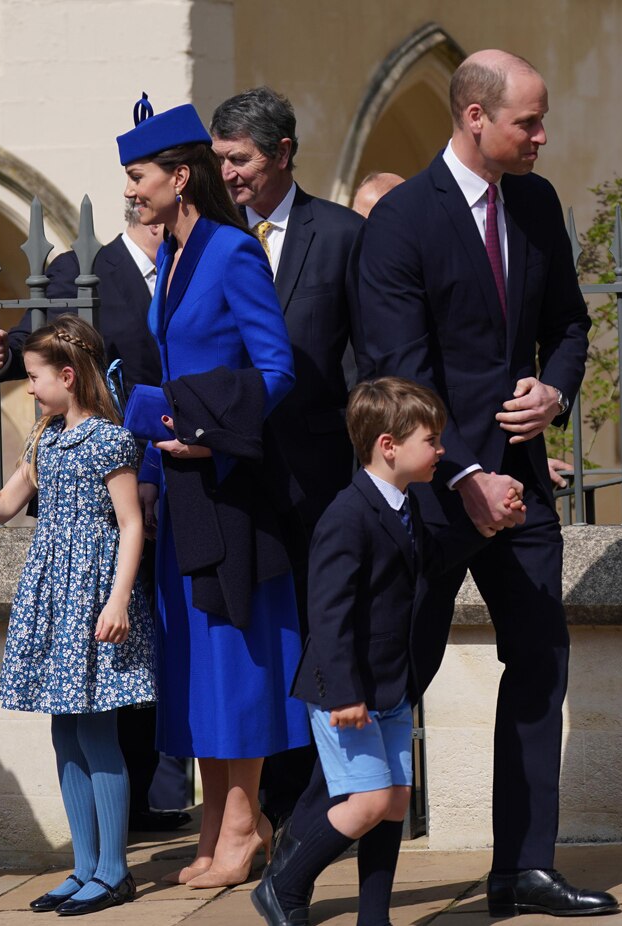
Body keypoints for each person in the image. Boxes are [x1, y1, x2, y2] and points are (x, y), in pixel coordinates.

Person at [355, 50, 617, 916]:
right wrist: (463, 470)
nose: (542, 136)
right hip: (433, 497)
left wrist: (556, 388)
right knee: (400, 677)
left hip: (525, 492)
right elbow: (402, 364)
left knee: (541, 663)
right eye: (527, 123)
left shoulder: (537, 204)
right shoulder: (401, 220)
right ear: (475, 117)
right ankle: (340, 880)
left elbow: (570, 325)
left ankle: (523, 870)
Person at [119, 93, 308, 889]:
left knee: (236, 660)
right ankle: (216, 822)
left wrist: (204, 432)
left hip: (230, 486)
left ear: (181, 175)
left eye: (139, 176)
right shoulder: (168, 255)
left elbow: (276, 371)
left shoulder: (232, 253)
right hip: (183, 488)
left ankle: (245, 822)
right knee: (198, 662)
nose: (131, 190)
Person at [253, 378, 521, 926]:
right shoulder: (347, 515)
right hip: (346, 690)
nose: (441, 451)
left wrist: (487, 525)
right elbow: (328, 614)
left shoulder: (405, 507)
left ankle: (374, 916)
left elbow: (433, 558)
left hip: (392, 684)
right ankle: (284, 884)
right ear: (388, 444)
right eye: (432, 439)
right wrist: (345, 694)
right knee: (369, 803)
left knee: (395, 801)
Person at [0, 314, 156, 916]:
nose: (27, 387)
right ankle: (83, 867)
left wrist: (118, 601)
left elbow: (131, 524)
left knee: (98, 729)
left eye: (33, 377)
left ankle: (114, 870)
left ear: (68, 376)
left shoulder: (109, 440)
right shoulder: (44, 439)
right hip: (53, 596)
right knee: (64, 728)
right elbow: (4, 505)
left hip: (95, 594)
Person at [0, 203, 190, 834]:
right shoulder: (82, 265)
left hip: (188, 464)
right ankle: (138, 806)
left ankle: (160, 792)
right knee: (111, 656)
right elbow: (37, 341)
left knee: (166, 630)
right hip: (108, 473)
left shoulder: (193, 262)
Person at [209, 87, 364, 827]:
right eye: (220, 161)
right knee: (255, 642)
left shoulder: (340, 235)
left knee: (322, 629)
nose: (229, 174)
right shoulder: (206, 239)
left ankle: (324, 799)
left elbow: (365, 362)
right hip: (232, 483)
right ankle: (262, 807)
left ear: (282, 155)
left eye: (240, 160)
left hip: (320, 479)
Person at [0, 201, 162, 398]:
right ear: (155, 223)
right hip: (118, 424)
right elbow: (35, 340)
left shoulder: (185, 276)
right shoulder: (80, 269)